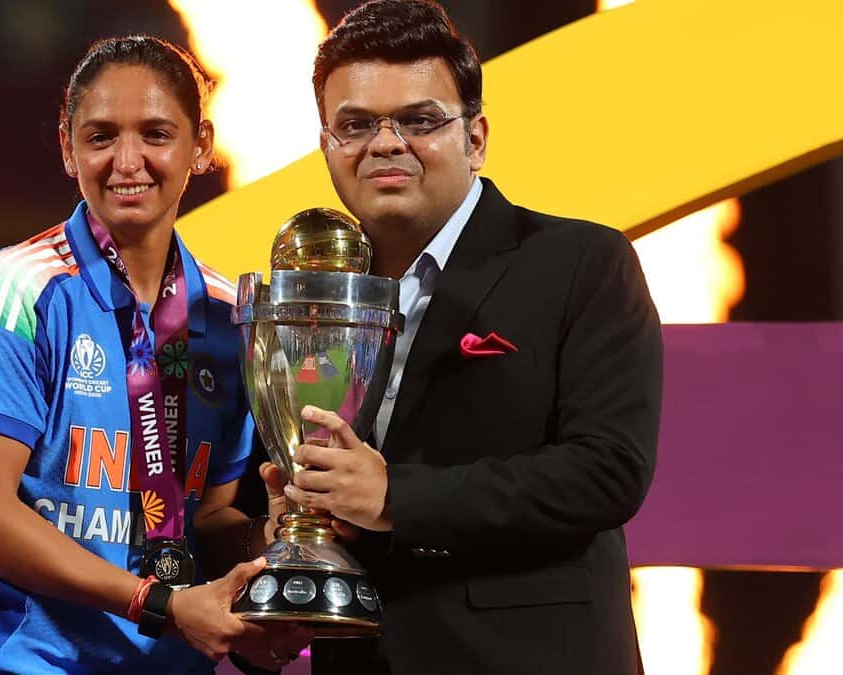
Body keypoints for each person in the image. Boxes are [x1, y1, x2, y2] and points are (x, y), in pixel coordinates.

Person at [256, 1, 664, 673]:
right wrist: (288, 526)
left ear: (476, 138)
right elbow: (268, 485)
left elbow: (606, 471)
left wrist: (395, 498)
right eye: (355, 124)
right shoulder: (310, 295)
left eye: (420, 121)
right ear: (327, 143)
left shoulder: (581, 261)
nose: (386, 143)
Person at [0, 35, 310, 674]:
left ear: (201, 146)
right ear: (67, 146)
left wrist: (271, 542)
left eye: (156, 134)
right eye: (102, 135)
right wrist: (157, 603)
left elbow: (207, 518)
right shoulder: (15, 289)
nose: (127, 160)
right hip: (19, 661)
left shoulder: (228, 318)